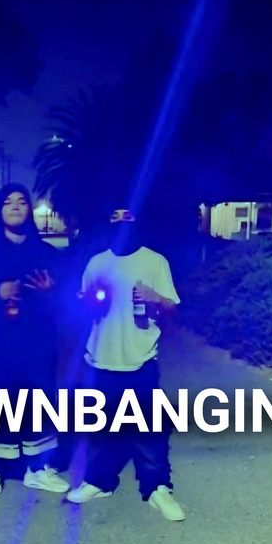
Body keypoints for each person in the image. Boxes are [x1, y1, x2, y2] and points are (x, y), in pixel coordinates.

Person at [66, 206, 185, 521]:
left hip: (140, 359)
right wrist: (86, 303)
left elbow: (173, 308)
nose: (122, 227)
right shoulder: (97, 263)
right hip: (100, 358)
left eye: (128, 221)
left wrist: (155, 298)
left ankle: (157, 488)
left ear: (136, 225)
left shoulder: (154, 261)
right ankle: (98, 482)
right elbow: (82, 309)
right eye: (116, 222)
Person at [0, 184, 69, 508]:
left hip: (35, 342)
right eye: (8, 202)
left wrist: (51, 291)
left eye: (22, 201)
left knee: (37, 402)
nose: (15, 206)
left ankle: (38, 469)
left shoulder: (46, 253)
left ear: (29, 210)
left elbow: (66, 302)